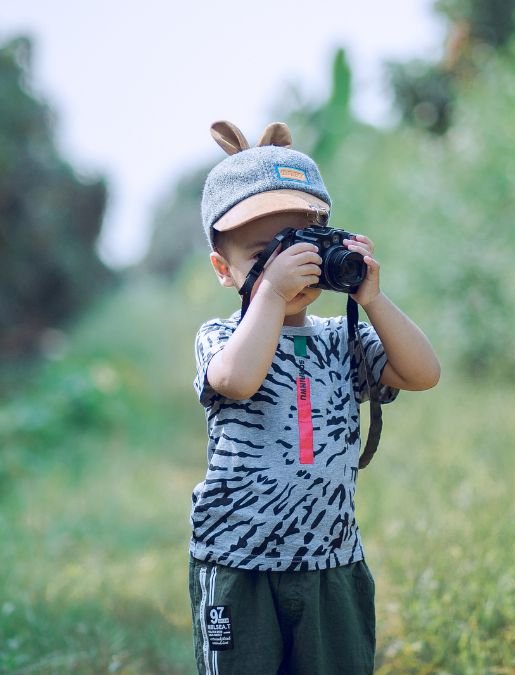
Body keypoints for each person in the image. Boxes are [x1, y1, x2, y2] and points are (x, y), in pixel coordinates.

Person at [189, 120, 441, 674]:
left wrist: (372, 298)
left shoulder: (339, 337)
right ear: (222, 270)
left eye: (300, 246)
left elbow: (423, 373)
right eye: (264, 252)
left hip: (331, 561)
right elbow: (238, 380)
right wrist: (273, 296)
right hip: (238, 563)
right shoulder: (221, 337)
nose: (287, 264)